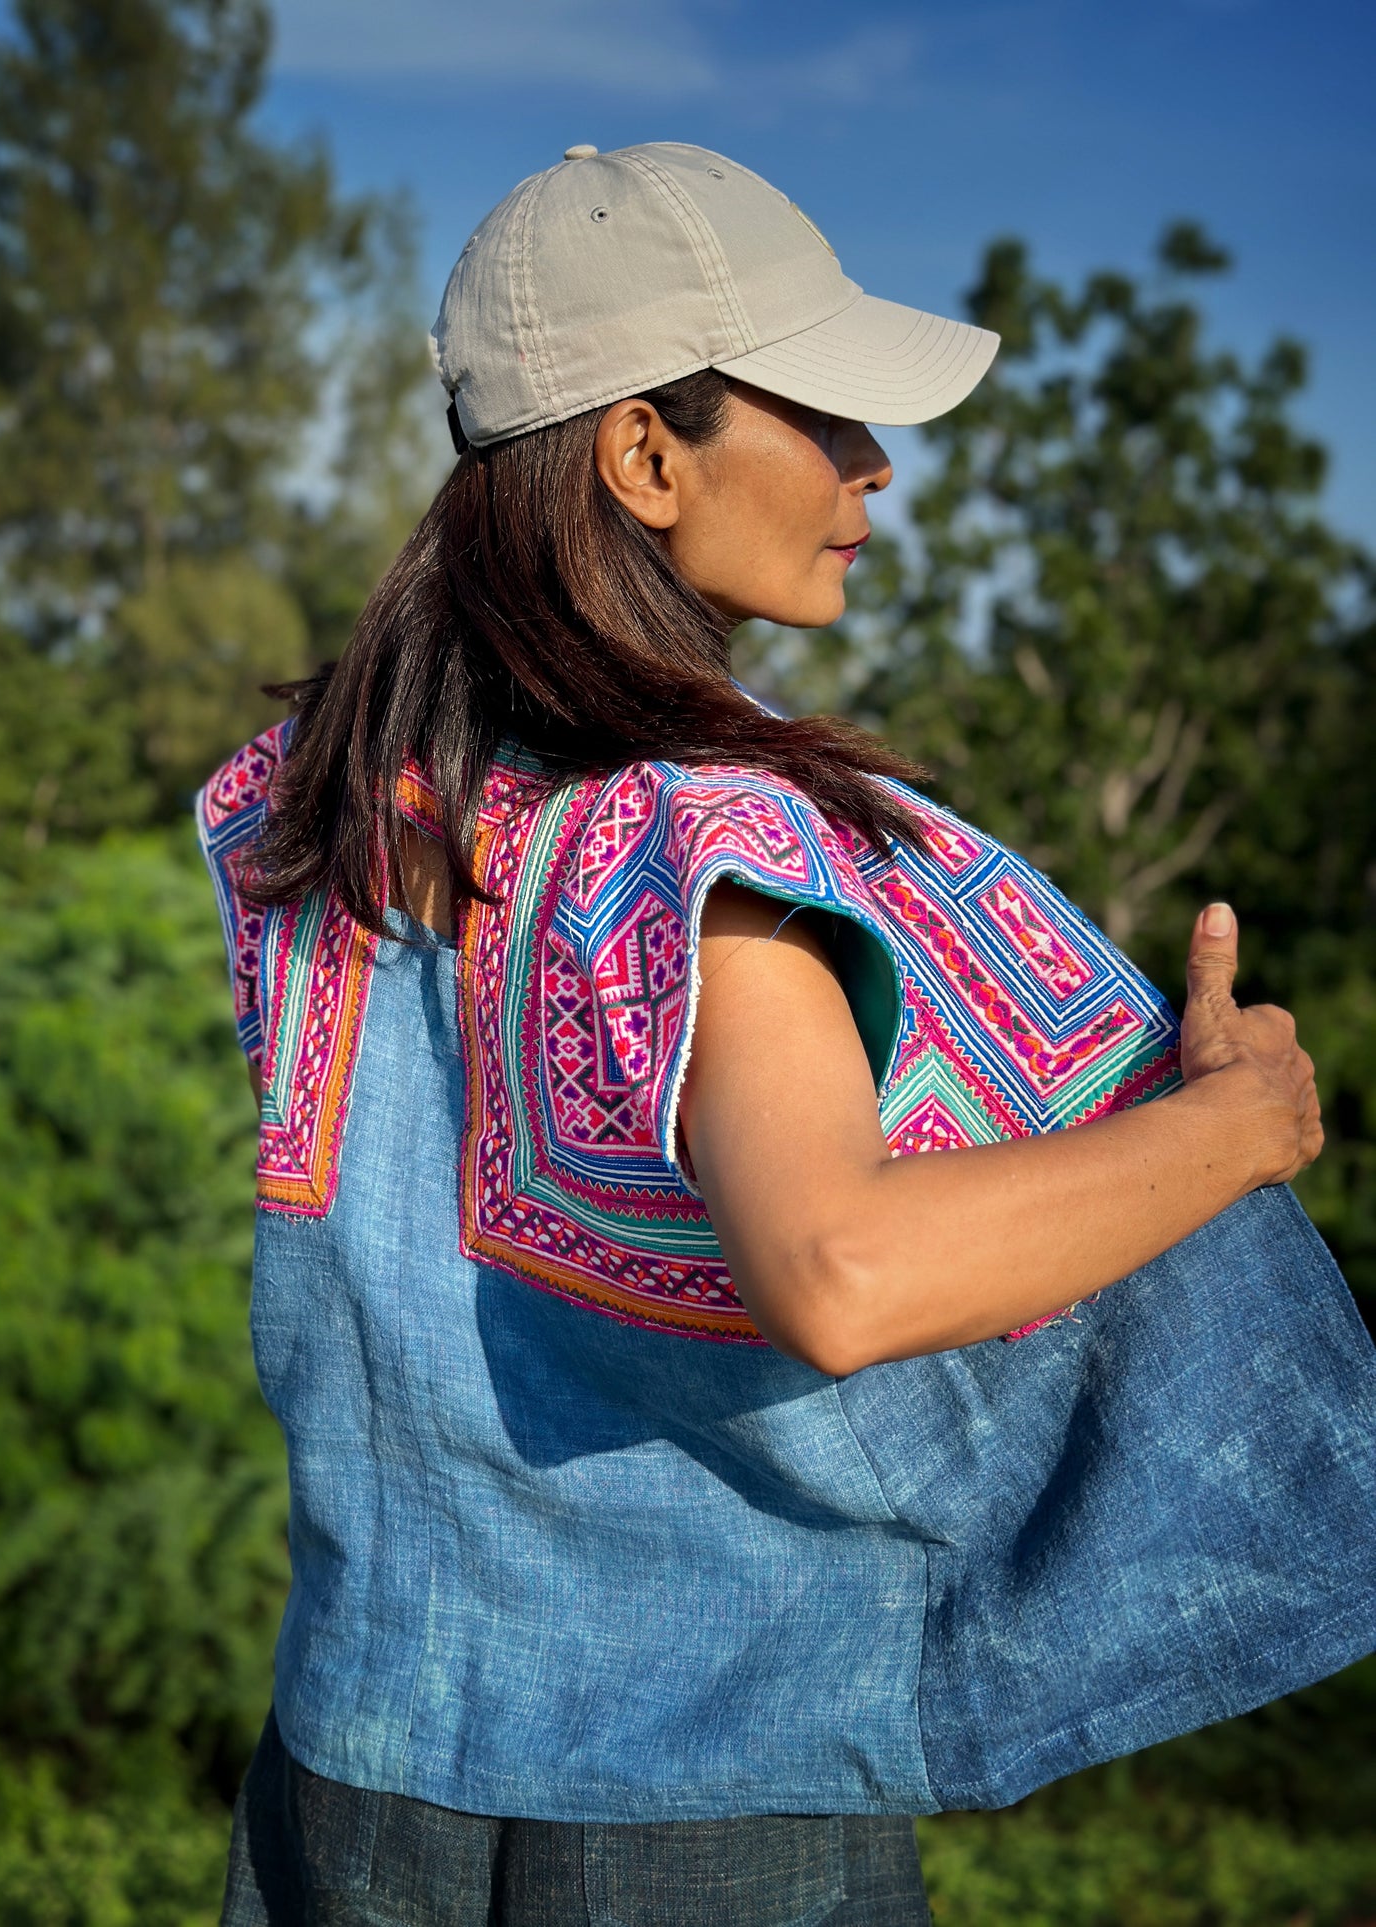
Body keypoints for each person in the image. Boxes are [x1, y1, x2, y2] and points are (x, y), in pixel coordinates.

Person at [199, 143, 1376, 1927]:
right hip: (697, 1807)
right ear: (645, 454)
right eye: (820, 413)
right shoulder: (698, 839)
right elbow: (835, 1271)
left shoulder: (335, 810)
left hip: (356, 1773)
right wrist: (1240, 1125)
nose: (871, 467)